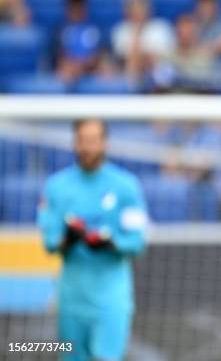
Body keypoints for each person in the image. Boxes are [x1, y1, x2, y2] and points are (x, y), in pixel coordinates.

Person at [37, 119, 148, 361]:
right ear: (75, 143)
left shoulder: (126, 186)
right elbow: (50, 242)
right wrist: (68, 240)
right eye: (83, 141)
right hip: (71, 299)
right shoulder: (57, 186)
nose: (88, 147)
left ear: (105, 143)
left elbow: (137, 242)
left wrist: (112, 244)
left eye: (94, 140)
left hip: (111, 297)